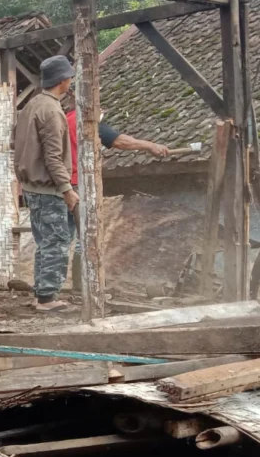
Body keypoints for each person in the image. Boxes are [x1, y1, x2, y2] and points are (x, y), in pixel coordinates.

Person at [63, 104, 170, 291]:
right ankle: (84, 287)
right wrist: (151, 146)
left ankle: (54, 289)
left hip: (62, 185)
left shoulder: (63, 120)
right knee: (87, 237)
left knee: (62, 238)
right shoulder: (88, 123)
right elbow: (120, 141)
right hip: (80, 183)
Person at [12, 55, 78, 312]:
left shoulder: (32, 106)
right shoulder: (52, 111)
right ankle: (48, 299)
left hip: (32, 186)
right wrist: (67, 189)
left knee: (45, 241)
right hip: (48, 188)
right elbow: (52, 156)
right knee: (58, 241)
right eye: (70, 76)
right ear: (63, 80)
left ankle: (42, 293)